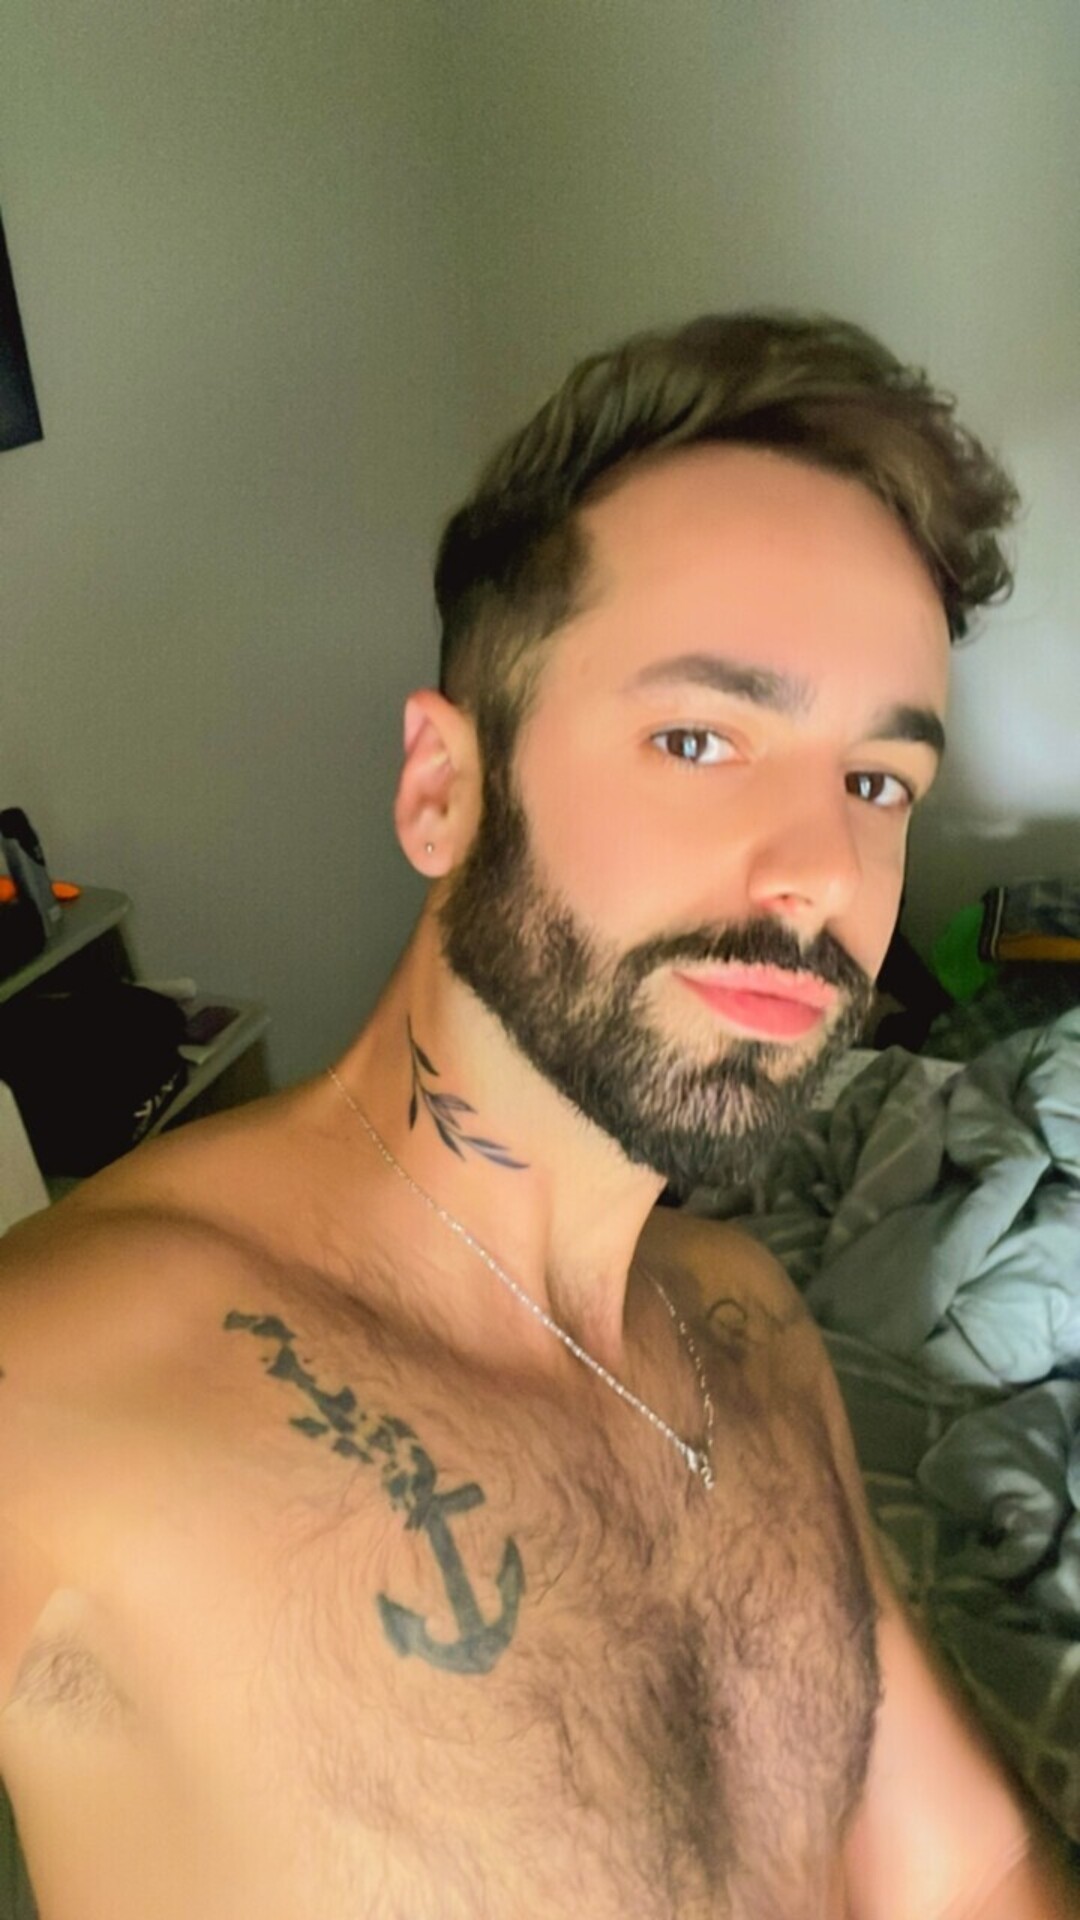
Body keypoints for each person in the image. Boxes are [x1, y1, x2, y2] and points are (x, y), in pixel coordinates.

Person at [0, 310, 1073, 1920]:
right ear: (443, 787)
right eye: (699, 738)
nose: (821, 875)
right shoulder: (62, 1372)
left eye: (877, 782)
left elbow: (964, 1864)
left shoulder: (748, 1321)